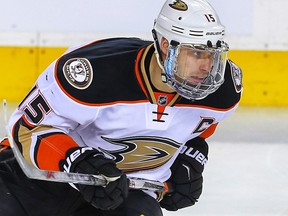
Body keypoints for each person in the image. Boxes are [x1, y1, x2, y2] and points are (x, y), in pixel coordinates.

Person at [0, 0, 243, 215]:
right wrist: (77, 162)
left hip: (118, 193)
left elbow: (198, 131)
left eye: (213, 55)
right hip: (39, 179)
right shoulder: (96, 72)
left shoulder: (222, 89)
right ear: (167, 46)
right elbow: (27, 129)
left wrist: (192, 158)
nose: (207, 67)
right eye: (197, 53)